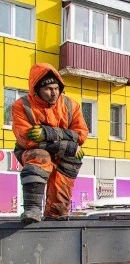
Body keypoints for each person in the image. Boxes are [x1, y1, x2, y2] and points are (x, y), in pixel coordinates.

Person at [12, 63, 88, 223]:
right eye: (48, 89)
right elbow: (26, 139)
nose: (54, 93)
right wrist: (68, 145)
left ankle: (56, 217)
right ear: (37, 89)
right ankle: (32, 209)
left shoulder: (70, 105)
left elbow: (80, 134)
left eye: (56, 88)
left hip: (65, 155)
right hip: (32, 151)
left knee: (60, 204)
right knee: (40, 156)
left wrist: (47, 133)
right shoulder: (22, 106)